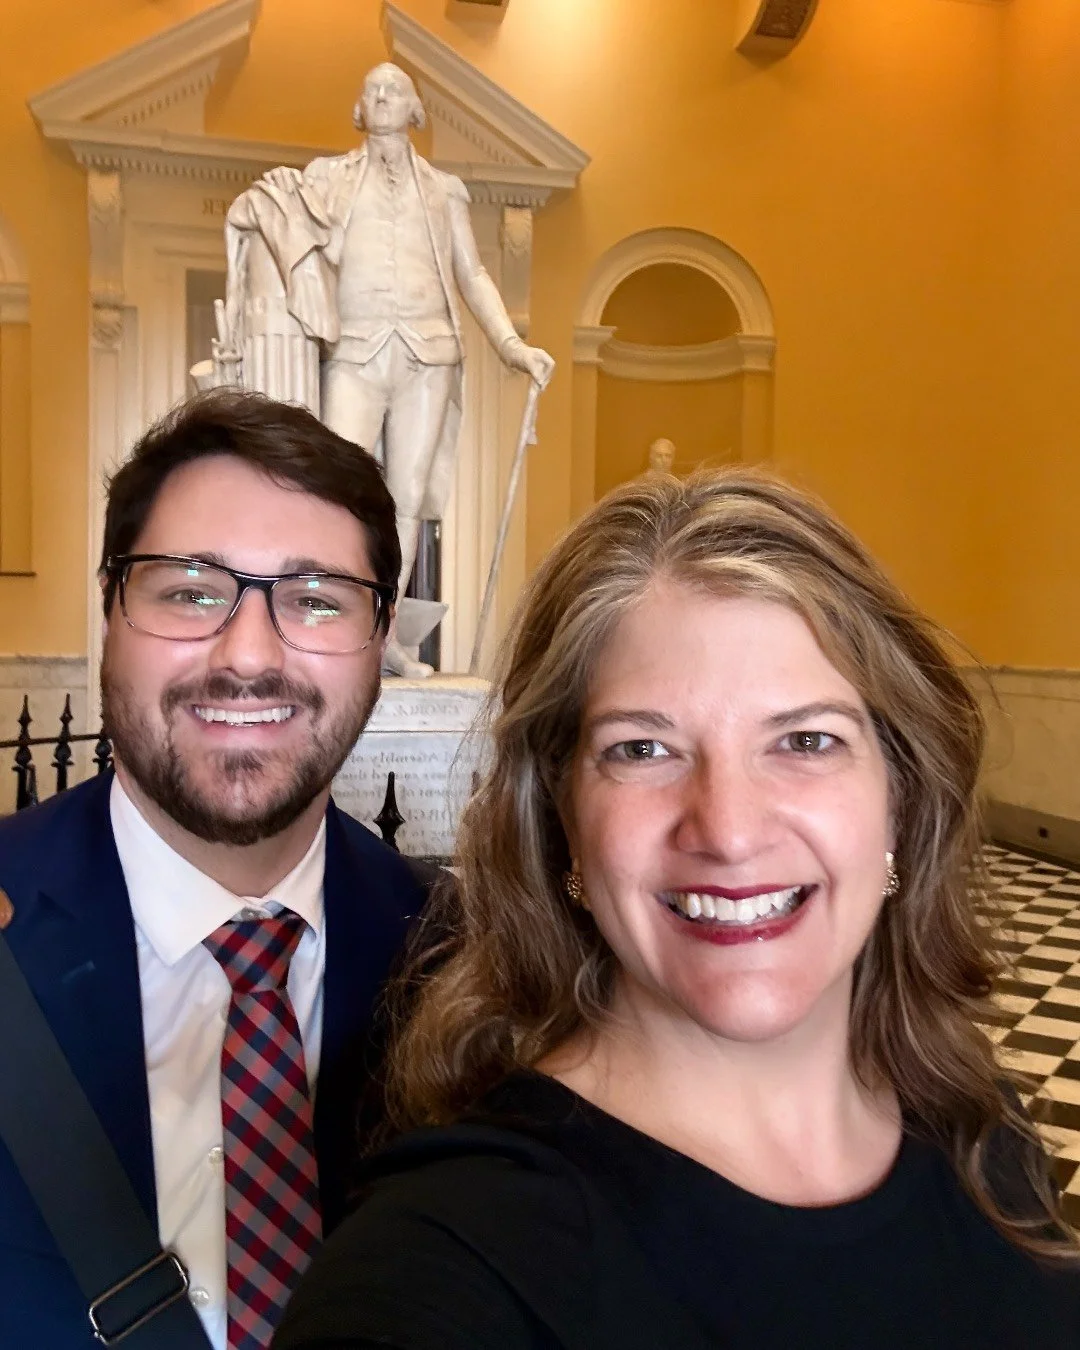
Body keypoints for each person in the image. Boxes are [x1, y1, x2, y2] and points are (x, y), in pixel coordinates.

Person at [275, 468, 1080, 1350]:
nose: (729, 831)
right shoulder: (442, 1269)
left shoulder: (984, 1129)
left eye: (806, 740)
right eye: (644, 748)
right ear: (561, 822)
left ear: (901, 795)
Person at [0, 390, 436, 1350]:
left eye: (316, 599)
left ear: (382, 636)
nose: (248, 656)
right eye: (191, 590)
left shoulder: (460, 964)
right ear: (110, 606)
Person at [219, 61, 555, 677]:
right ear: (359, 108)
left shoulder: (444, 190)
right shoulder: (327, 179)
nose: (380, 96)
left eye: (394, 89)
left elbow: (472, 274)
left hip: (429, 355)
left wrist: (512, 346)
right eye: (371, 88)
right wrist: (254, 207)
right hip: (355, 352)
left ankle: (386, 638)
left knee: (402, 502)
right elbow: (272, 207)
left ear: (415, 109)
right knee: (340, 499)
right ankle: (328, 625)